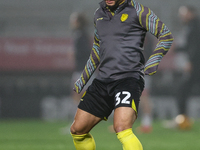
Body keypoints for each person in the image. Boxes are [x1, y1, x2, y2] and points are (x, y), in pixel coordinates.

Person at [70, 0, 173, 150]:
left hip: (128, 79)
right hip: (103, 81)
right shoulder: (98, 14)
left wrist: (154, 60)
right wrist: (84, 78)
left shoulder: (139, 11)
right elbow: (98, 48)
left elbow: (165, 35)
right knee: (77, 130)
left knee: (122, 128)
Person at [173, 5, 200, 128]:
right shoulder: (190, 26)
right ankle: (183, 120)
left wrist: (191, 62)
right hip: (195, 64)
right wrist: (177, 48)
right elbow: (190, 46)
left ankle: (182, 120)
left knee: (181, 90)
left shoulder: (196, 26)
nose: (181, 16)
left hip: (196, 65)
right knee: (182, 90)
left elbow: (196, 46)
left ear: (190, 13)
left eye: (183, 13)